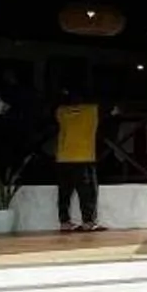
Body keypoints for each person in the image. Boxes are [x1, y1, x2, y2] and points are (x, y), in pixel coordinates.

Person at [51, 86, 102, 232]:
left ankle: (65, 222)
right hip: (84, 156)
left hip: (63, 157)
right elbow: (115, 111)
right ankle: (88, 222)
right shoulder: (92, 111)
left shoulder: (61, 111)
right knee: (87, 192)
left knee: (64, 192)